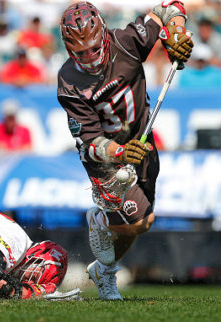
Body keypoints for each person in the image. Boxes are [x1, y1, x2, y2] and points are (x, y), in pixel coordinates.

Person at [57, 1, 193, 300]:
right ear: (68, 49)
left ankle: (103, 269)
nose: (90, 58)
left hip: (142, 139)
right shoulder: (69, 82)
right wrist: (119, 153)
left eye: (94, 48)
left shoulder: (127, 41)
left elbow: (170, 7)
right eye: (80, 53)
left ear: (104, 35)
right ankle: (102, 222)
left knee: (141, 222)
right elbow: (89, 141)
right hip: (105, 157)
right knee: (139, 223)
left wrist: (177, 33)